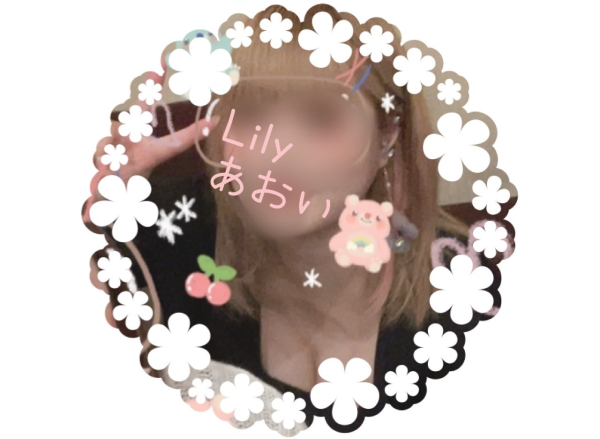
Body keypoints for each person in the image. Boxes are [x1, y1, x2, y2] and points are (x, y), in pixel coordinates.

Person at [85, 4, 486, 431]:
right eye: (250, 114)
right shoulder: (168, 234)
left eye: (321, 117)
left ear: (386, 136)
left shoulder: (466, 285)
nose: (277, 152)